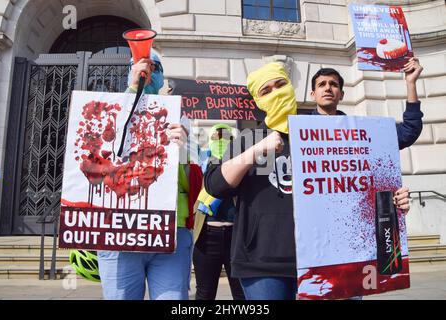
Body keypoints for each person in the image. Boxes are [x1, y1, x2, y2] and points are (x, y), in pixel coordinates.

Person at [204, 61, 419, 300]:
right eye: (266, 90)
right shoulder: (248, 139)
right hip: (262, 263)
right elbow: (215, 185)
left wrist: (391, 200)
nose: (276, 93)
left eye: (281, 84)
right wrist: (257, 150)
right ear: (258, 100)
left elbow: (363, 175)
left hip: (328, 258)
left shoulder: (325, 134)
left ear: (292, 88)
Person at [97, 49, 202, 300]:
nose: (146, 71)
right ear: (130, 71)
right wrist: (133, 91)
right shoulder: (105, 110)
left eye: (153, 67)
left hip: (170, 232)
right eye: (140, 65)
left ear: (162, 75)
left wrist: (184, 151)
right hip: (120, 231)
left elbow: (197, 180)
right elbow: (98, 160)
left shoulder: (179, 117)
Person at [192, 124, 245, 300]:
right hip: (207, 235)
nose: (221, 140)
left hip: (235, 236)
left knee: (242, 293)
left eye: (227, 137)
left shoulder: (241, 164)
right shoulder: (201, 160)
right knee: (204, 294)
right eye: (217, 136)